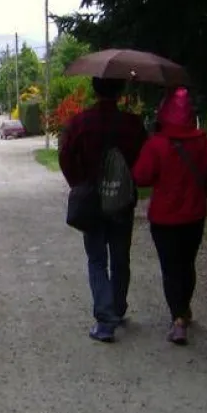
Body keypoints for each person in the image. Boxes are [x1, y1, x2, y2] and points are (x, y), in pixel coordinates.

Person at [58, 77, 148, 343]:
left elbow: (65, 156)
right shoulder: (132, 125)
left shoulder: (81, 123)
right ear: (120, 92)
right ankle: (118, 309)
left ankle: (105, 321)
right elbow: (144, 159)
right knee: (121, 258)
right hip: (122, 201)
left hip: (92, 202)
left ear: (95, 91)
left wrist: (79, 183)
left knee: (97, 259)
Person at [133, 87, 207, 346]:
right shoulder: (203, 141)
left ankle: (178, 319)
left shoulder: (157, 144)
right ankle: (184, 309)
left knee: (171, 268)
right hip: (194, 215)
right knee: (187, 263)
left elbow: (141, 177)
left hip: (164, 219)